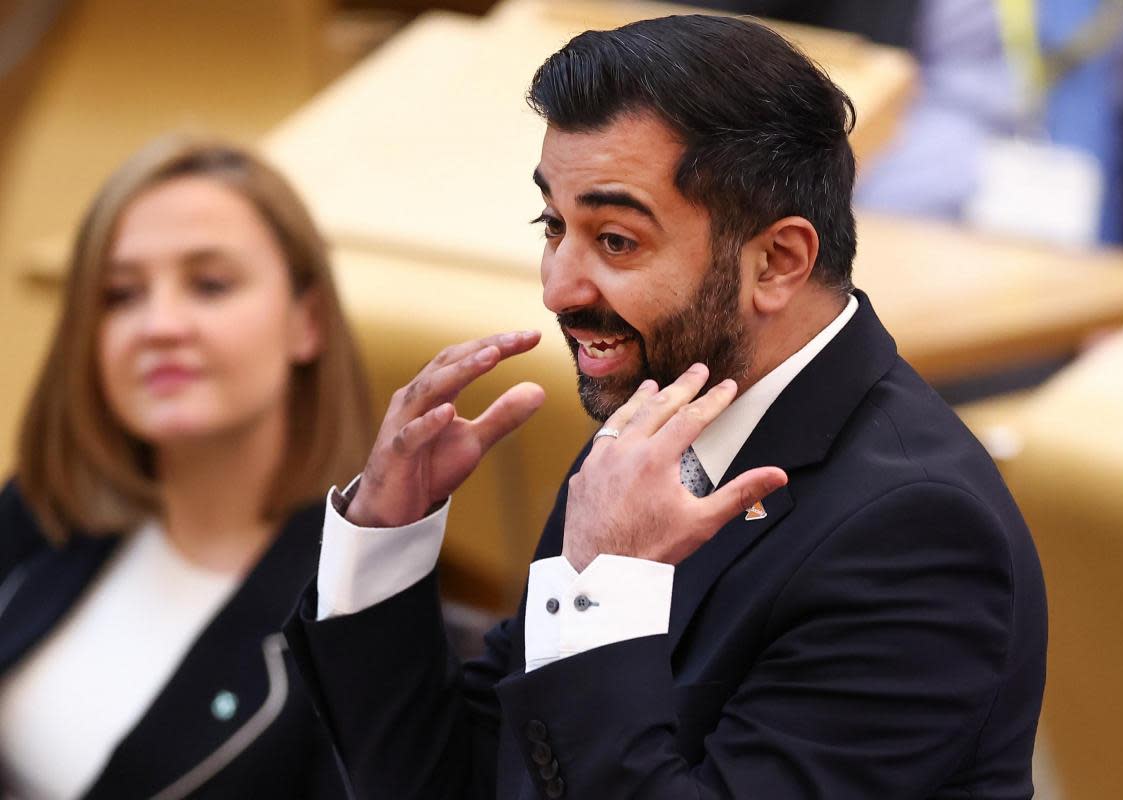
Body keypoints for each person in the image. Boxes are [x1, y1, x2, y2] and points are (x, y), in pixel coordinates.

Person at [286, 15, 1047, 800]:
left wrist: (605, 587)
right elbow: (469, 779)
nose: (558, 288)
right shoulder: (650, 430)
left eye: (615, 240)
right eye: (554, 225)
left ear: (777, 261)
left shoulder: (917, 532)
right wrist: (384, 542)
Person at [0, 135, 372, 798]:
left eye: (209, 284)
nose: (160, 324)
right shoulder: (41, 510)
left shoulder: (357, 620)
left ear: (306, 321)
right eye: (120, 295)